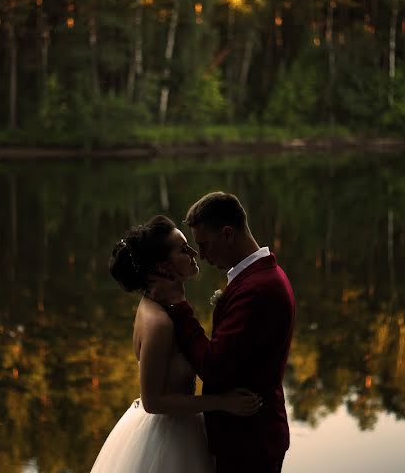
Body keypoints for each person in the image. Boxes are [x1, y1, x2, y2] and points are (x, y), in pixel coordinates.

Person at [90, 215, 262, 473]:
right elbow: (153, 401)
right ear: (162, 267)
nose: (194, 252)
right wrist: (223, 402)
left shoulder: (162, 306)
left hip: (184, 428)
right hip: (167, 438)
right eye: (183, 249)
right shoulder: (159, 323)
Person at [147, 192, 297, 473]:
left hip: (250, 441)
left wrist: (180, 306)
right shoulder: (261, 276)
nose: (201, 256)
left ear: (227, 234)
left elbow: (212, 367)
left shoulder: (256, 289)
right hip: (249, 436)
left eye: (204, 245)